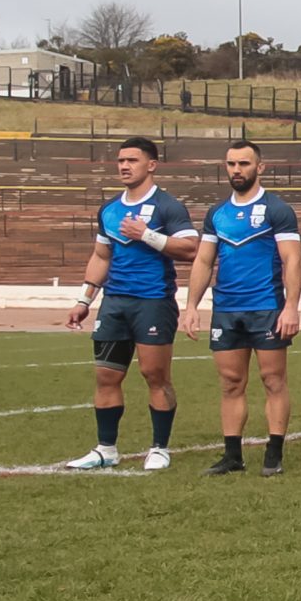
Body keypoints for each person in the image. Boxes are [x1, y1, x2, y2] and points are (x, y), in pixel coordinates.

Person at [62, 137, 199, 471]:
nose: (124, 166)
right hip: (114, 304)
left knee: (155, 375)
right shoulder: (109, 209)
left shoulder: (167, 206)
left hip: (153, 302)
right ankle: (105, 449)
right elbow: (101, 256)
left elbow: (190, 248)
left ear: (151, 165)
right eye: (121, 160)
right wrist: (84, 299)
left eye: (132, 160)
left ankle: (159, 448)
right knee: (106, 376)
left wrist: (146, 235)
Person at [178, 139, 301, 476]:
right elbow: (204, 261)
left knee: (273, 380)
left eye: (244, 164)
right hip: (227, 309)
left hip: (266, 307)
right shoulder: (217, 214)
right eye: (231, 164)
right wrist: (191, 306)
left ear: (260, 167)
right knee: (231, 382)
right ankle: (232, 455)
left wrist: (291, 306)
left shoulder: (277, 210)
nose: (237, 170)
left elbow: (292, 260)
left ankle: (273, 452)